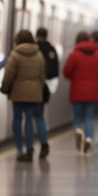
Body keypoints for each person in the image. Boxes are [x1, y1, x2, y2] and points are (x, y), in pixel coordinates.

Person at [0, 30, 46, 162]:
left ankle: (20, 148)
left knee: (17, 119)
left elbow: (9, 75)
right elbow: (42, 76)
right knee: (29, 120)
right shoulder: (39, 55)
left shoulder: (15, 55)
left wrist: (4, 88)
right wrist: (37, 87)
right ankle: (30, 149)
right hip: (34, 92)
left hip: (18, 92)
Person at [63, 31, 98, 154]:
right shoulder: (97, 54)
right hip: (93, 91)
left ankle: (78, 131)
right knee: (89, 117)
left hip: (77, 90)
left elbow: (66, 71)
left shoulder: (74, 54)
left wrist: (75, 78)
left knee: (77, 118)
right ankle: (88, 139)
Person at [35, 27, 59, 157]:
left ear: (36, 35)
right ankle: (44, 143)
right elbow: (55, 71)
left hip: (32, 88)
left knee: (27, 116)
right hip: (45, 88)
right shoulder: (51, 49)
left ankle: (27, 148)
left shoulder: (34, 49)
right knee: (40, 116)